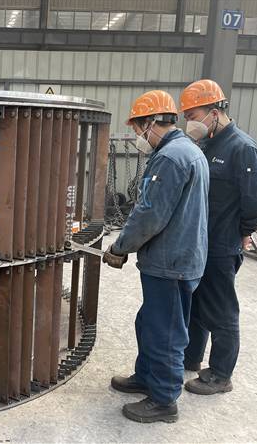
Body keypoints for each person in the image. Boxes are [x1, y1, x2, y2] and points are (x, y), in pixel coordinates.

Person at [102, 90, 210, 423]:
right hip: (177, 256)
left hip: (170, 262)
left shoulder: (171, 158)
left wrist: (120, 247)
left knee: (165, 331)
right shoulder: (188, 151)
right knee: (149, 321)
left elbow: (150, 215)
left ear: (151, 122)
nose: (138, 136)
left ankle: (164, 400)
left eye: (138, 129)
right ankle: (147, 376)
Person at [179, 79, 257, 394]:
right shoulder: (207, 144)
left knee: (221, 311)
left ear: (215, 111)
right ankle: (191, 357)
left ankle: (220, 375)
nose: (190, 122)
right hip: (200, 242)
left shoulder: (243, 149)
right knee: (196, 304)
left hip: (221, 245)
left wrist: (241, 232)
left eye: (194, 115)